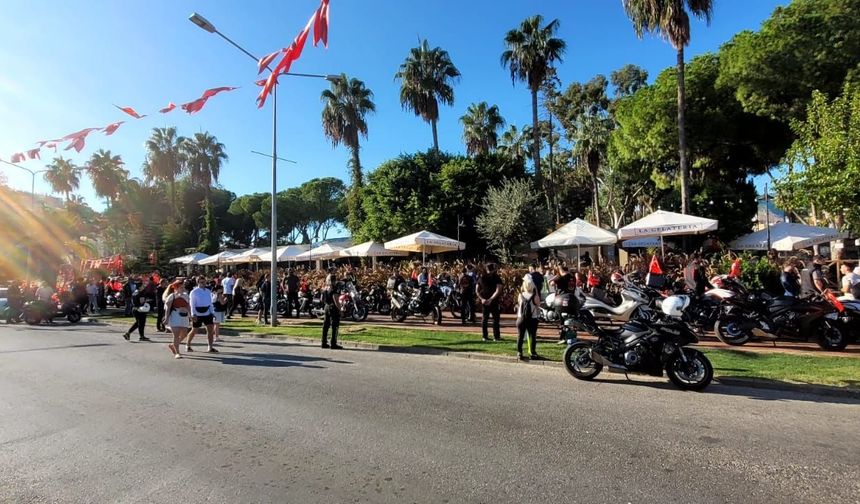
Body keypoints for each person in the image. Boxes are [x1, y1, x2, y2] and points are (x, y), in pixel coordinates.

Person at [515, 274, 542, 361]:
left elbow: (519, 304)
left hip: (521, 319)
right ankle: (532, 353)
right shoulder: (535, 296)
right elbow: (538, 306)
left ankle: (519, 352)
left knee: (520, 336)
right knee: (532, 336)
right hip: (532, 319)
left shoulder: (520, 295)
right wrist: (536, 291)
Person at [189, 276, 218, 353]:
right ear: (198, 282)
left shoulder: (208, 291)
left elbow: (210, 303)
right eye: (201, 282)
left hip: (207, 312)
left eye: (204, 282)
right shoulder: (194, 292)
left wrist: (212, 313)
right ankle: (188, 345)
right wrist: (193, 314)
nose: (203, 283)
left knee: (210, 330)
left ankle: (210, 347)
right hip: (197, 313)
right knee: (194, 330)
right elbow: (192, 304)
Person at [163, 280, 191, 358]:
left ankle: (173, 345)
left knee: (184, 334)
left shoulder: (186, 295)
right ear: (176, 288)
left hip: (184, 316)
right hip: (174, 316)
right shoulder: (172, 296)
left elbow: (188, 306)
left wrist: (191, 315)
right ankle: (177, 353)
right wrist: (166, 318)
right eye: (181, 287)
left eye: (183, 287)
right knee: (176, 335)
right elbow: (167, 308)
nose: (183, 289)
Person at [123, 277, 156, 342]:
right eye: (142, 286)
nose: (144, 286)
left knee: (138, 323)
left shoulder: (135, 292)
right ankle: (141, 336)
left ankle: (129, 334)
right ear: (140, 287)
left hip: (134, 309)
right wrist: (148, 300)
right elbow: (142, 302)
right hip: (140, 309)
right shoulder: (141, 293)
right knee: (141, 323)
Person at [476, 263, 503, 342]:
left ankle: (485, 336)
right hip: (494, 301)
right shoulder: (496, 278)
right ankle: (496, 336)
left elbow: (477, 290)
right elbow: (498, 289)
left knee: (485, 318)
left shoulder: (482, 278)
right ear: (493, 269)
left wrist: (482, 299)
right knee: (495, 319)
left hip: (484, 300)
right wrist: (491, 299)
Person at [321, 271, 343, 349]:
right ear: (334, 280)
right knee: (335, 326)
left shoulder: (325, 287)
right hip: (333, 307)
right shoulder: (334, 288)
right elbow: (336, 299)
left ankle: (323, 342)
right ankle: (333, 343)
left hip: (327, 306)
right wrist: (340, 309)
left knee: (326, 325)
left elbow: (322, 299)